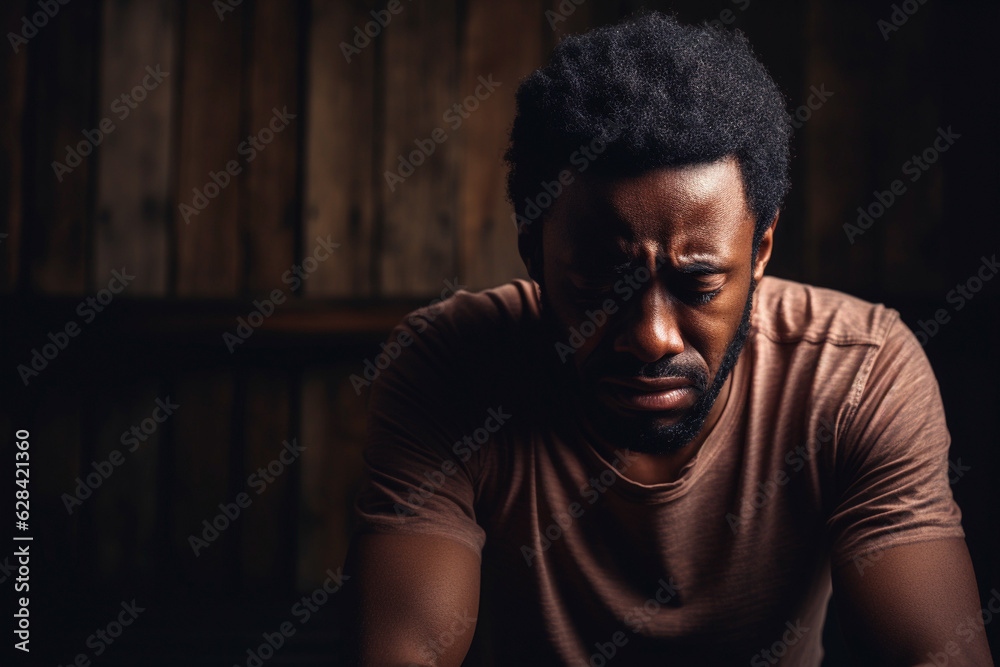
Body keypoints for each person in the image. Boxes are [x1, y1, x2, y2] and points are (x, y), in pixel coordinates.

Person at [340, 10, 994, 666]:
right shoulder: (449, 366)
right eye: (601, 284)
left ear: (761, 250)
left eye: (698, 284)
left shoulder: (858, 375)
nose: (652, 338)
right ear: (534, 253)